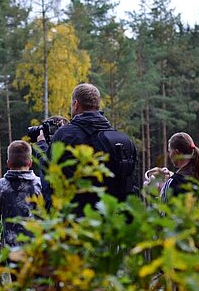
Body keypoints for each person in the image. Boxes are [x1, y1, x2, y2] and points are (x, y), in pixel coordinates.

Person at [50, 83, 138, 212]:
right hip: (115, 219)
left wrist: (42, 145)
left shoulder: (65, 135)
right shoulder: (124, 140)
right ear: (98, 105)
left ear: (76, 104)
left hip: (77, 220)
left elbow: (50, 175)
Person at [0, 140, 42, 249]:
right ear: (30, 163)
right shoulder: (40, 185)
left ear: (8, 163)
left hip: (10, 253)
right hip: (37, 251)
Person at [160, 132, 199, 200]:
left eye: (169, 151)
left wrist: (161, 191)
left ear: (176, 153)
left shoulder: (173, 183)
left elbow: (164, 209)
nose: (169, 155)